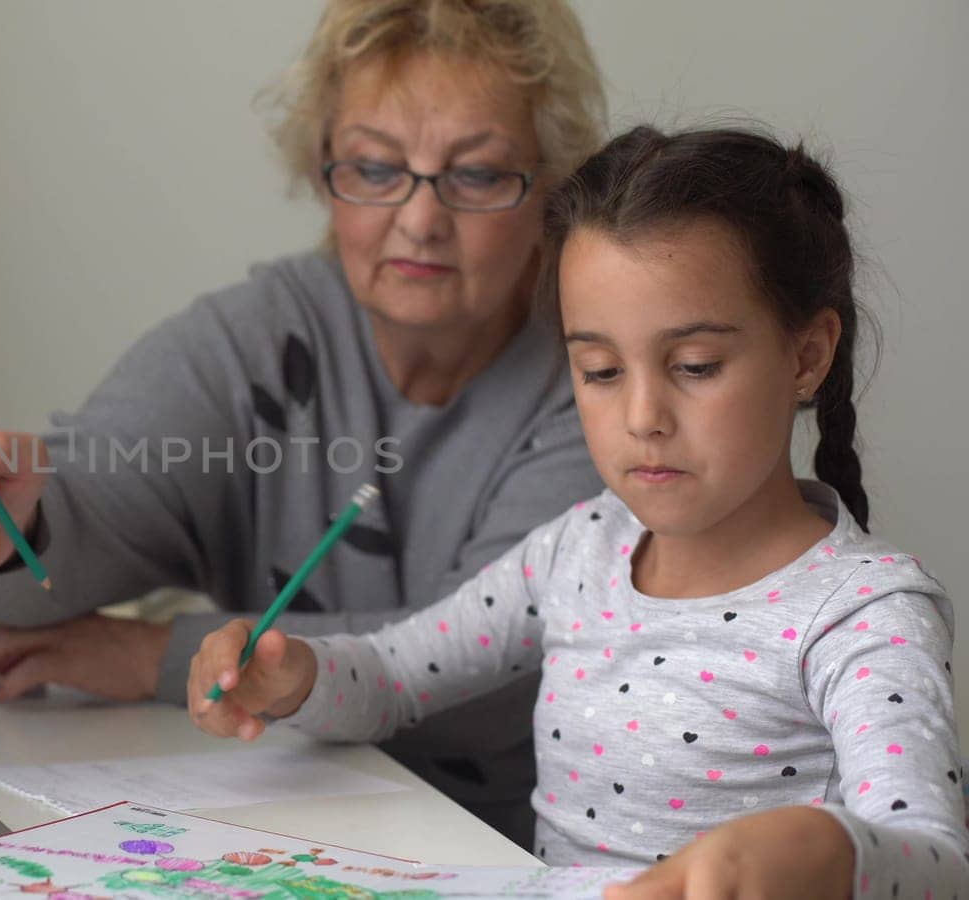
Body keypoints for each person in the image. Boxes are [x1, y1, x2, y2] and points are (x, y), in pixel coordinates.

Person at [0, 0, 607, 847]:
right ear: (322, 166)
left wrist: (149, 657)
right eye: (374, 168)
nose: (418, 219)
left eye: (476, 176)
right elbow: (89, 509)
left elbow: (495, 675)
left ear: (550, 187)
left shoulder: (601, 371)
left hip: (500, 857)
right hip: (281, 833)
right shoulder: (256, 340)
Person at [186, 124, 968, 898]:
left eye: (695, 365)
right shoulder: (579, 549)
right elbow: (394, 675)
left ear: (805, 356)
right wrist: (291, 678)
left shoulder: (863, 614)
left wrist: (834, 851)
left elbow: (936, 862)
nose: (643, 415)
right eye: (599, 370)